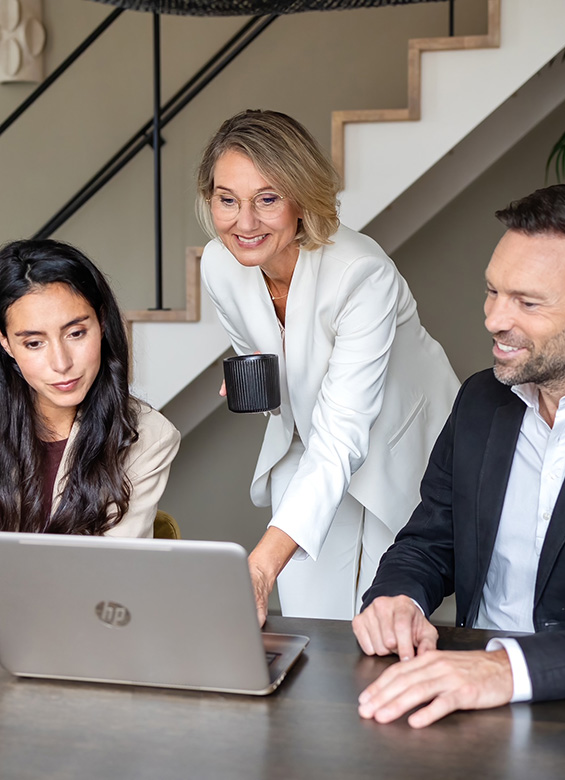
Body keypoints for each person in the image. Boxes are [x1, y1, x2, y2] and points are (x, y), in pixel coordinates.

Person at [353, 181, 565, 728]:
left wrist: (509, 670)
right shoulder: (481, 400)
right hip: (463, 699)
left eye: (527, 302)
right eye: (493, 291)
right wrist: (399, 600)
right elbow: (430, 538)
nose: (493, 319)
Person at [197, 109, 459, 623]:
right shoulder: (218, 265)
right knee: (309, 616)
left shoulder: (361, 273)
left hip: (395, 447)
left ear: (301, 198)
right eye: (227, 200)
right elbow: (267, 355)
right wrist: (254, 378)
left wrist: (260, 565)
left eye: (266, 199)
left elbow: (344, 434)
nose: (243, 223)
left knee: (377, 623)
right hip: (309, 440)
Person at [0, 239, 180, 537]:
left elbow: (107, 570)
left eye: (76, 333)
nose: (61, 363)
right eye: (34, 343)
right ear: (6, 343)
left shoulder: (149, 436)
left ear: (102, 323)